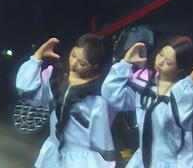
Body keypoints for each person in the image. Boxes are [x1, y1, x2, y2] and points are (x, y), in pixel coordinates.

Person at [100, 35, 193, 168]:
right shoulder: (145, 82)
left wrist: (187, 87)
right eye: (161, 54)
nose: (160, 61)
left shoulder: (187, 93)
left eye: (168, 62)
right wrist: (125, 64)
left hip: (172, 163)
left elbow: (181, 120)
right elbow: (112, 94)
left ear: (180, 68)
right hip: (141, 160)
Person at [14, 33, 119, 166]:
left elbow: (102, 134)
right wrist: (37, 57)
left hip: (84, 160)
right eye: (73, 55)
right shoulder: (56, 77)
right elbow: (25, 90)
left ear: (95, 65)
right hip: (53, 155)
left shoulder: (103, 91)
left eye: (82, 63)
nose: (73, 64)